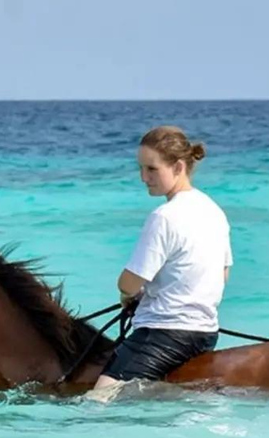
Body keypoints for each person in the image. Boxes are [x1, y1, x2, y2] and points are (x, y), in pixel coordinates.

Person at [95, 126, 232, 389]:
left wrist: (129, 295)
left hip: (162, 333)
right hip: (205, 334)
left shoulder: (164, 216)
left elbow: (128, 283)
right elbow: (222, 275)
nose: (144, 177)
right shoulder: (214, 211)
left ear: (179, 167)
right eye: (141, 168)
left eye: (152, 169)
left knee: (97, 399)